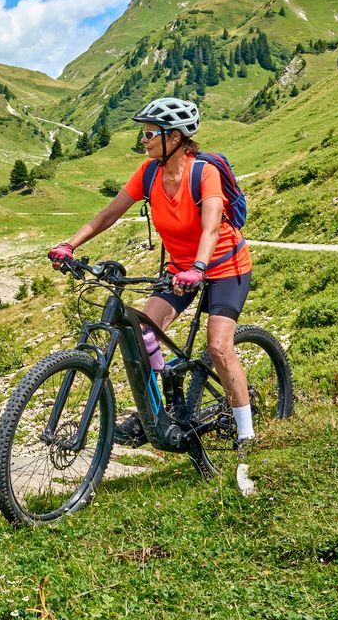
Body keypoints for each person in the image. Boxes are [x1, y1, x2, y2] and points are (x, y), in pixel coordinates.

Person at [47, 97, 255, 450]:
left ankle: (247, 433)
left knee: (219, 347)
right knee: (143, 333)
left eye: (149, 133)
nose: (142, 140)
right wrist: (70, 244)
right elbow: (108, 214)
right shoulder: (148, 174)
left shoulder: (204, 173)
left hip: (223, 266)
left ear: (174, 138)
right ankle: (159, 413)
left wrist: (200, 268)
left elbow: (211, 230)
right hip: (180, 269)